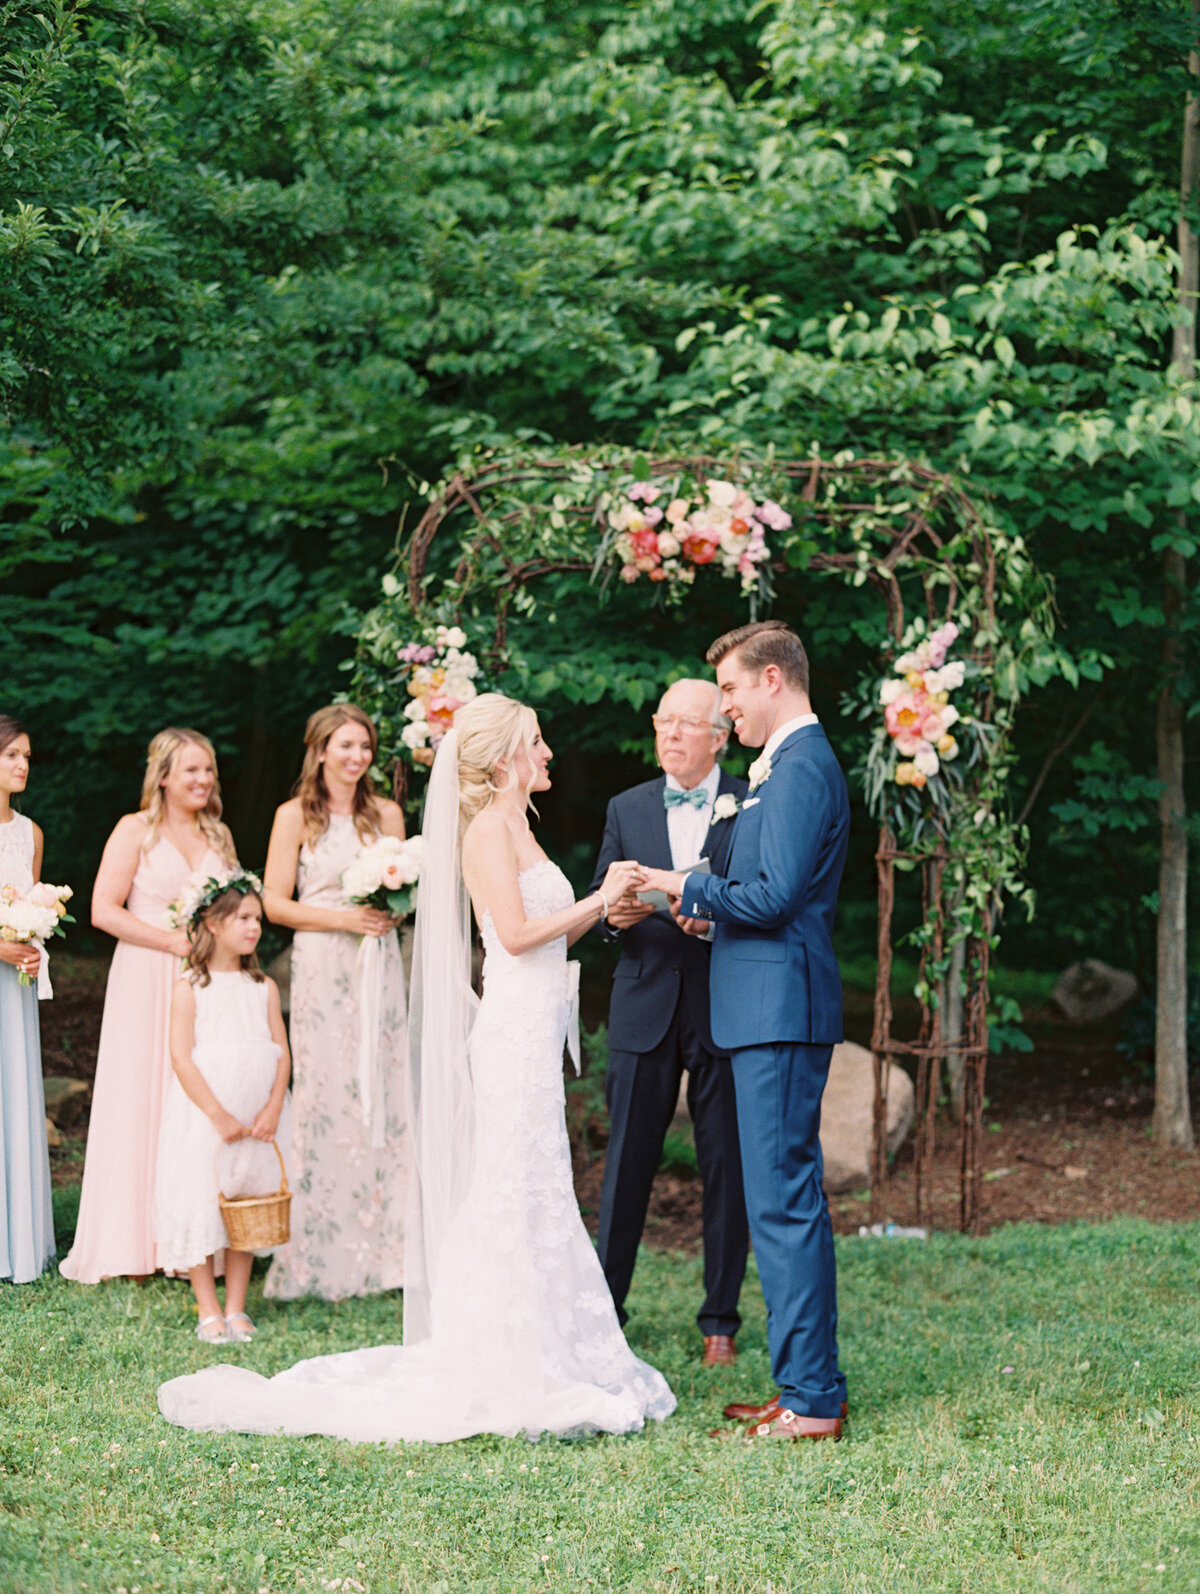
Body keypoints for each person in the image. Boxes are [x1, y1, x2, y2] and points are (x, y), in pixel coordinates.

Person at [158, 692, 675, 1442]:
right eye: (536, 744)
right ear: (504, 762)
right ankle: (501, 1354)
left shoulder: (519, 827)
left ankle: (556, 1344)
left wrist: (610, 905)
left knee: (538, 1184)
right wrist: (600, 898)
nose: (549, 754)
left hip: (535, 1029)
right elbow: (521, 934)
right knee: (510, 1182)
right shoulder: (487, 833)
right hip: (510, 1032)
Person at [638, 621, 850, 1442]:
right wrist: (711, 917)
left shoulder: (799, 768)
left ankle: (812, 1401)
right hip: (763, 1008)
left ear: (771, 679)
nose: (723, 708)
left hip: (781, 1014)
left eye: (728, 689)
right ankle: (802, 1385)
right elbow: (760, 896)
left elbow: (774, 899)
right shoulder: (779, 768)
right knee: (778, 1205)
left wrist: (684, 886)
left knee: (785, 1206)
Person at [589, 679, 749, 1366]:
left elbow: (760, 897)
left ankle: (720, 1321)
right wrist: (614, 915)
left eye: (688, 724)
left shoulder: (752, 800)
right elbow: (601, 905)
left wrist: (714, 919)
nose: (672, 734)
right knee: (625, 1165)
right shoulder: (625, 806)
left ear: (719, 735)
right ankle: (606, 1312)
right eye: (664, 721)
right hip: (643, 1001)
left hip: (722, 1003)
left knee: (727, 1167)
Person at [61, 729, 237, 1283]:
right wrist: (170, 942)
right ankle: (131, 1244)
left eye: (208, 770)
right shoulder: (134, 830)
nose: (203, 780)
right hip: (145, 975)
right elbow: (102, 910)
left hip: (204, 980)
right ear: (162, 776)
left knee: (194, 1097)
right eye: (191, 771)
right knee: (142, 1097)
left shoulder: (221, 834)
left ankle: (192, 1243)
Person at [261, 704, 408, 1301]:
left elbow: (405, 887)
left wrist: (391, 906)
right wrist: (342, 918)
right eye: (345, 746)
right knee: (326, 1092)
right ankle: (317, 1249)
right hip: (323, 963)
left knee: (383, 1088)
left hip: (378, 964)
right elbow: (273, 903)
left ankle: (390, 1249)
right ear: (320, 750)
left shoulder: (387, 814)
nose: (357, 757)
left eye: (365, 747)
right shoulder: (293, 816)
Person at [154, 872, 292, 1343]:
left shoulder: (263, 987)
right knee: (203, 1201)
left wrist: (273, 1107)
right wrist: (217, 1115)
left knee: (246, 1204)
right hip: (207, 1119)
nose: (254, 927)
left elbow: (282, 1050)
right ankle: (208, 1307)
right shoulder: (190, 986)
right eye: (243, 918)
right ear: (213, 923)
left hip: (257, 1121)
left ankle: (236, 1307)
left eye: (257, 918)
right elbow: (180, 1056)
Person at [0, 716, 56, 1283]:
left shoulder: (30, 832)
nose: (22, 766)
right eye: (12, 755)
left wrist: (34, 944)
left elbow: (37, 905)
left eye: (27, 757)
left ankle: (19, 1239)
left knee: (14, 1093)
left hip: (14, 988)